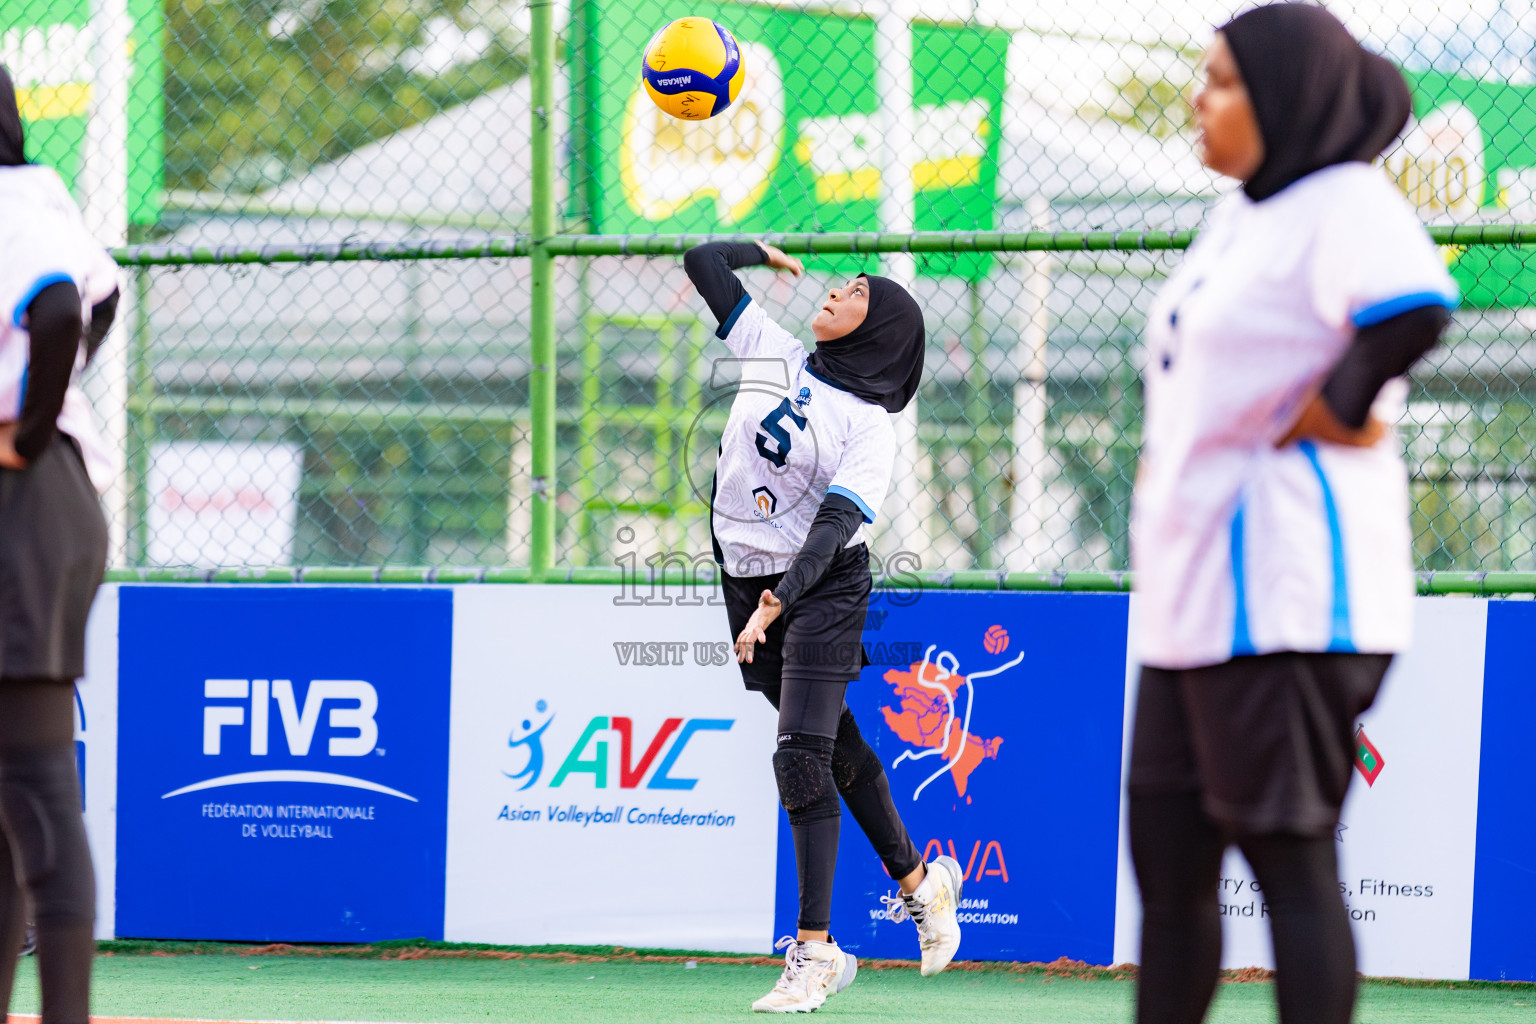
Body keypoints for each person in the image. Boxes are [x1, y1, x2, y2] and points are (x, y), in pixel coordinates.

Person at [1128, 6, 1458, 1024]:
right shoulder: (1239, 213)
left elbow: (1415, 307)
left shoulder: (1343, 200)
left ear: (1285, 96)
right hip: (1189, 601)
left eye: (1222, 81)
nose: (1200, 98)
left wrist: (1342, 403)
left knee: (1287, 859)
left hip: (1285, 595)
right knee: (1170, 878)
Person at [682, 239, 963, 1013]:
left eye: (858, 293)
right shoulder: (775, 352)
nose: (839, 291)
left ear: (879, 332)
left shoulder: (871, 426)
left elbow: (835, 527)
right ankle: (922, 884)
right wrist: (758, 254)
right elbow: (702, 261)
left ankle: (815, 950)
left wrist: (782, 602)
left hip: (824, 586)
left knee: (800, 757)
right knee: (834, 743)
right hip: (747, 577)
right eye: (843, 282)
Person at [0, 64, 122, 1024]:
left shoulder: (8, 200)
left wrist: (28, 431)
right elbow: (103, 295)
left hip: (27, 502)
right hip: (43, 500)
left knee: (35, 780)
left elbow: (61, 309)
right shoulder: (36, 196)